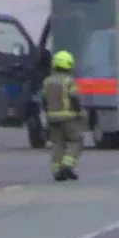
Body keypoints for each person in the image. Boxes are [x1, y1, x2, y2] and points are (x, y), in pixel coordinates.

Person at [41, 49, 83, 181]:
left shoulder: (47, 81)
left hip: (52, 117)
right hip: (68, 117)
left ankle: (57, 170)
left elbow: (43, 99)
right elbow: (74, 98)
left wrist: (48, 113)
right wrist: (78, 111)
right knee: (76, 141)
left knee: (57, 144)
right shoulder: (69, 81)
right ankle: (67, 165)